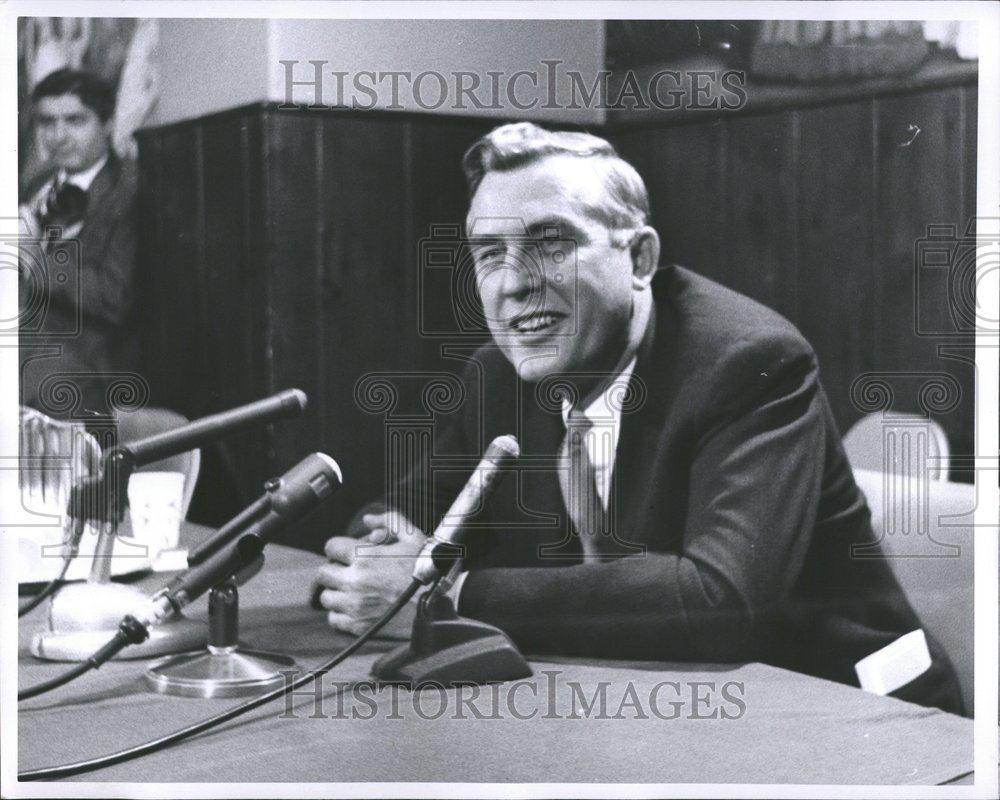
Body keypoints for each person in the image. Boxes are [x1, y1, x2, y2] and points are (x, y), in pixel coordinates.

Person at [314, 122, 963, 714]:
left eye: (549, 242)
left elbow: (720, 599)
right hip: (655, 701)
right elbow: (404, 515)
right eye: (489, 253)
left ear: (641, 259)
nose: (512, 284)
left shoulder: (749, 362)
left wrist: (446, 595)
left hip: (851, 710)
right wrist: (383, 551)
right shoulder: (498, 375)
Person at [19, 68, 139, 416]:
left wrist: (35, 260)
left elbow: (115, 299)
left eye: (74, 120)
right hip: (23, 369)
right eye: (46, 122)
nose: (58, 136)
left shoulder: (128, 192)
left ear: (106, 122)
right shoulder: (35, 184)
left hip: (84, 381)